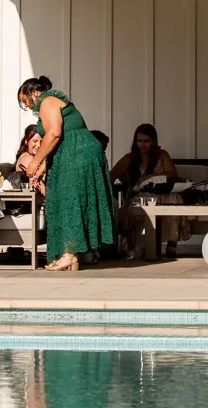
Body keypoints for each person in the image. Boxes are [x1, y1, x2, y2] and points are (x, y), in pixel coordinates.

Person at [15, 76, 115, 271]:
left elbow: (54, 133)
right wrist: (41, 168)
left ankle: (70, 255)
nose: (26, 105)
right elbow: (55, 142)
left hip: (77, 154)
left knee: (70, 201)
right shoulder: (49, 103)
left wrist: (35, 162)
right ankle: (71, 253)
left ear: (34, 92)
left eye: (24, 100)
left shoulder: (47, 101)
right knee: (63, 200)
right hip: (69, 154)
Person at [110, 123, 179, 190]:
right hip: (134, 199)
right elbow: (111, 175)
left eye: (146, 141)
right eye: (139, 141)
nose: (142, 145)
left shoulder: (162, 155)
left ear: (153, 141)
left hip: (160, 197)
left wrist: (151, 177)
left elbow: (173, 174)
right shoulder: (129, 158)